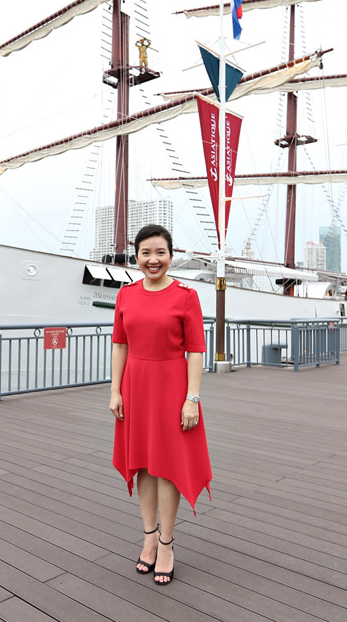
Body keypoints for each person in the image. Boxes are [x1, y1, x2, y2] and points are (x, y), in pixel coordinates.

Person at [109, 224, 212, 586]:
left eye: (160, 253)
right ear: (136, 256)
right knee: (143, 466)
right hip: (135, 386)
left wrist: (192, 398)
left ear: (171, 256)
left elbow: (196, 350)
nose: (153, 260)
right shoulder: (126, 295)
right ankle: (148, 537)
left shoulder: (186, 296)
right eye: (146, 253)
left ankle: (167, 544)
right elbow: (120, 344)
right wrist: (115, 391)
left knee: (167, 467)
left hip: (172, 387)